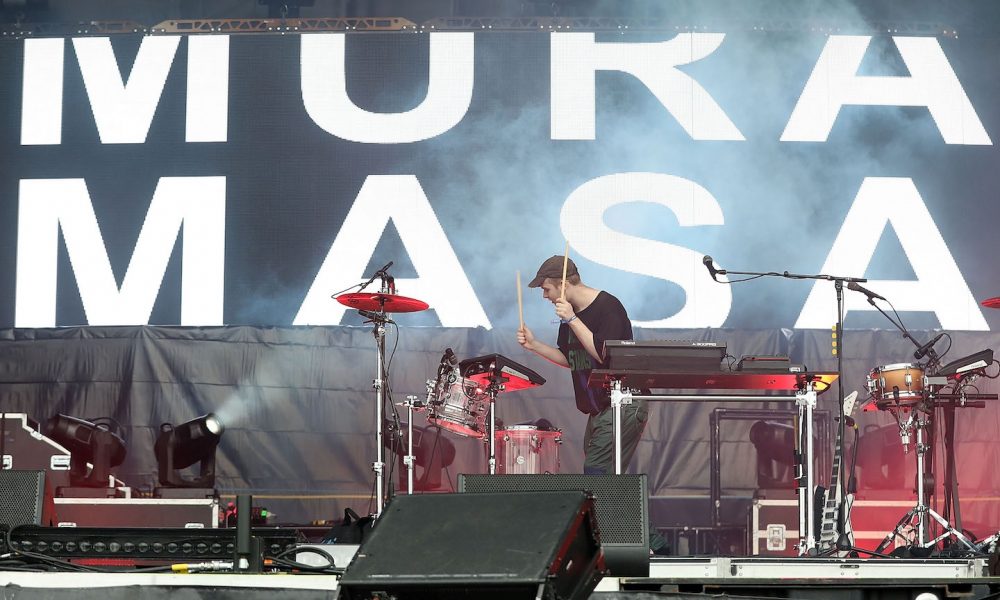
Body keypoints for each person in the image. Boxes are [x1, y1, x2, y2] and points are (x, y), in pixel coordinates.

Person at [516, 255, 648, 475]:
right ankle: (607, 510)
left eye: (547, 289)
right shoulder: (569, 312)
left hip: (623, 401)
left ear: (564, 285)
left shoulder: (608, 307)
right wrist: (534, 345)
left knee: (597, 471)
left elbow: (601, 354)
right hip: (601, 407)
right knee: (599, 471)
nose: (544, 295)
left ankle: (608, 510)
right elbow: (572, 359)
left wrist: (572, 320)